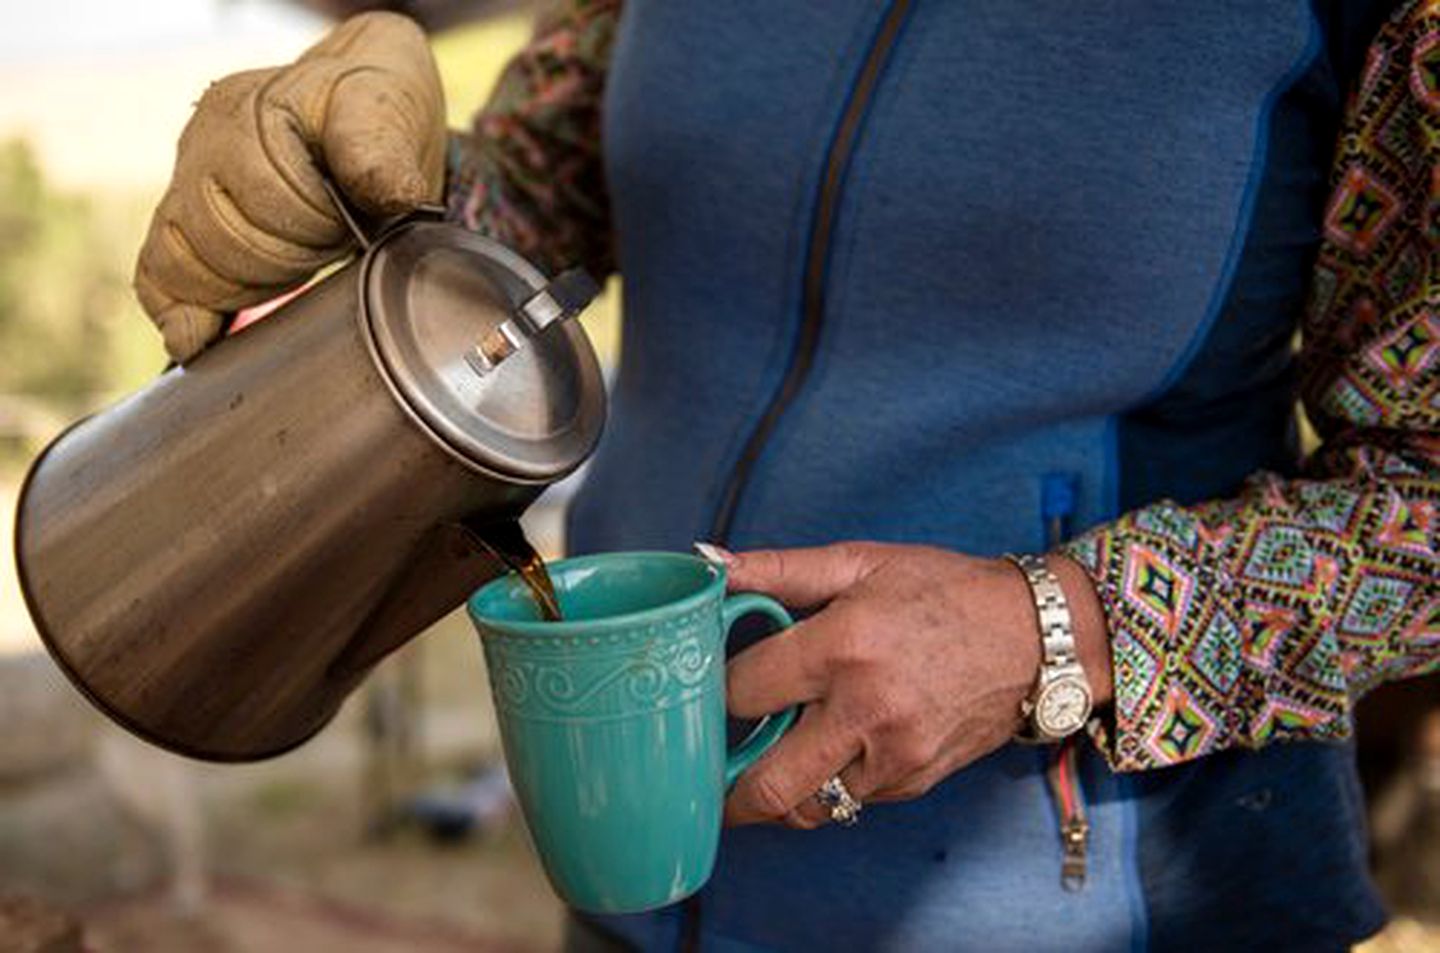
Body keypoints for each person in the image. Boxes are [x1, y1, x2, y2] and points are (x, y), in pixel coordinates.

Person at [133, 1, 1439, 949]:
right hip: (628, 894)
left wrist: (1062, 627)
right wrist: (368, 182)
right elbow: (545, 182)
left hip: (1104, 910)